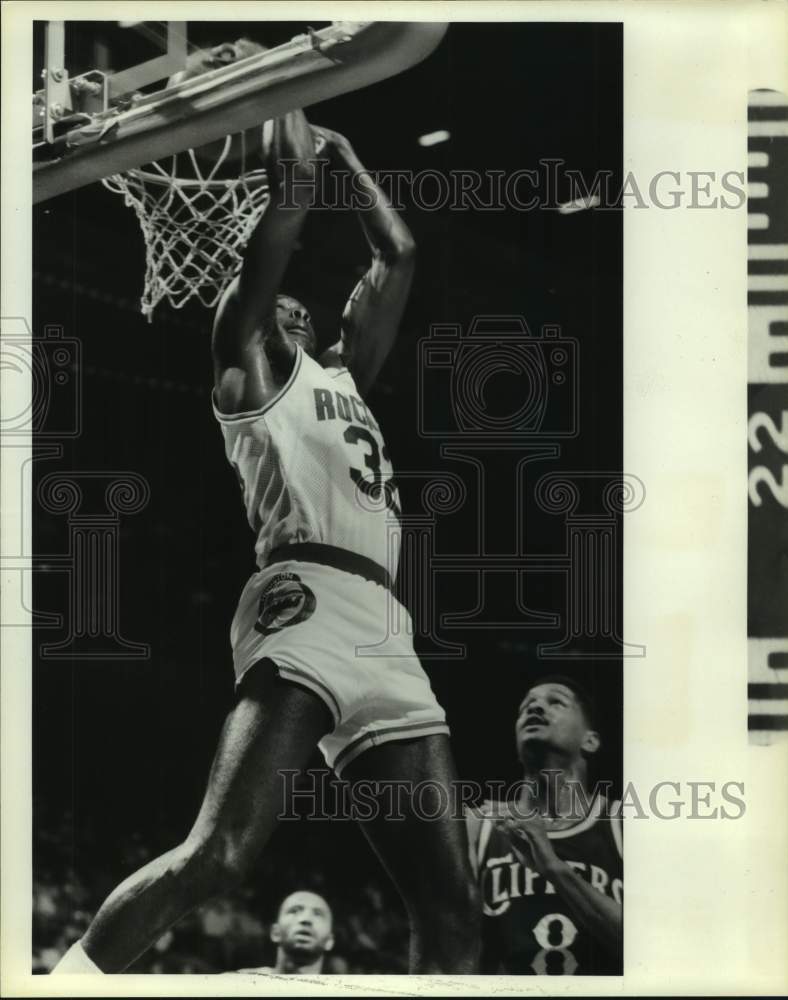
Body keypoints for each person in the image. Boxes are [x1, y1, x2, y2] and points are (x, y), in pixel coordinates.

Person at [52, 58, 479, 975]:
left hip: (386, 629)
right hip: (307, 594)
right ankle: (70, 982)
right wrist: (282, 98)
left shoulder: (342, 377)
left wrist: (348, 150)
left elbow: (398, 254)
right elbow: (282, 215)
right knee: (224, 854)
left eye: (296, 300)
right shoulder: (248, 364)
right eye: (267, 296)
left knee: (451, 903)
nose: (287, 299)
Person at [466, 675, 622, 974]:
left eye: (556, 702)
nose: (535, 708)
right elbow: (451, 945)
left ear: (590, 740)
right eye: (526, 706)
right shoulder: (478, 826)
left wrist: (552, 867)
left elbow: (654, 953)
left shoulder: (622, 824)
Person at [231, 890, 335, 975]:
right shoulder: (237, 985)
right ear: (275, 932)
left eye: (318, 914)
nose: (306, 919)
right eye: (294, 911)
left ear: (329, 941)